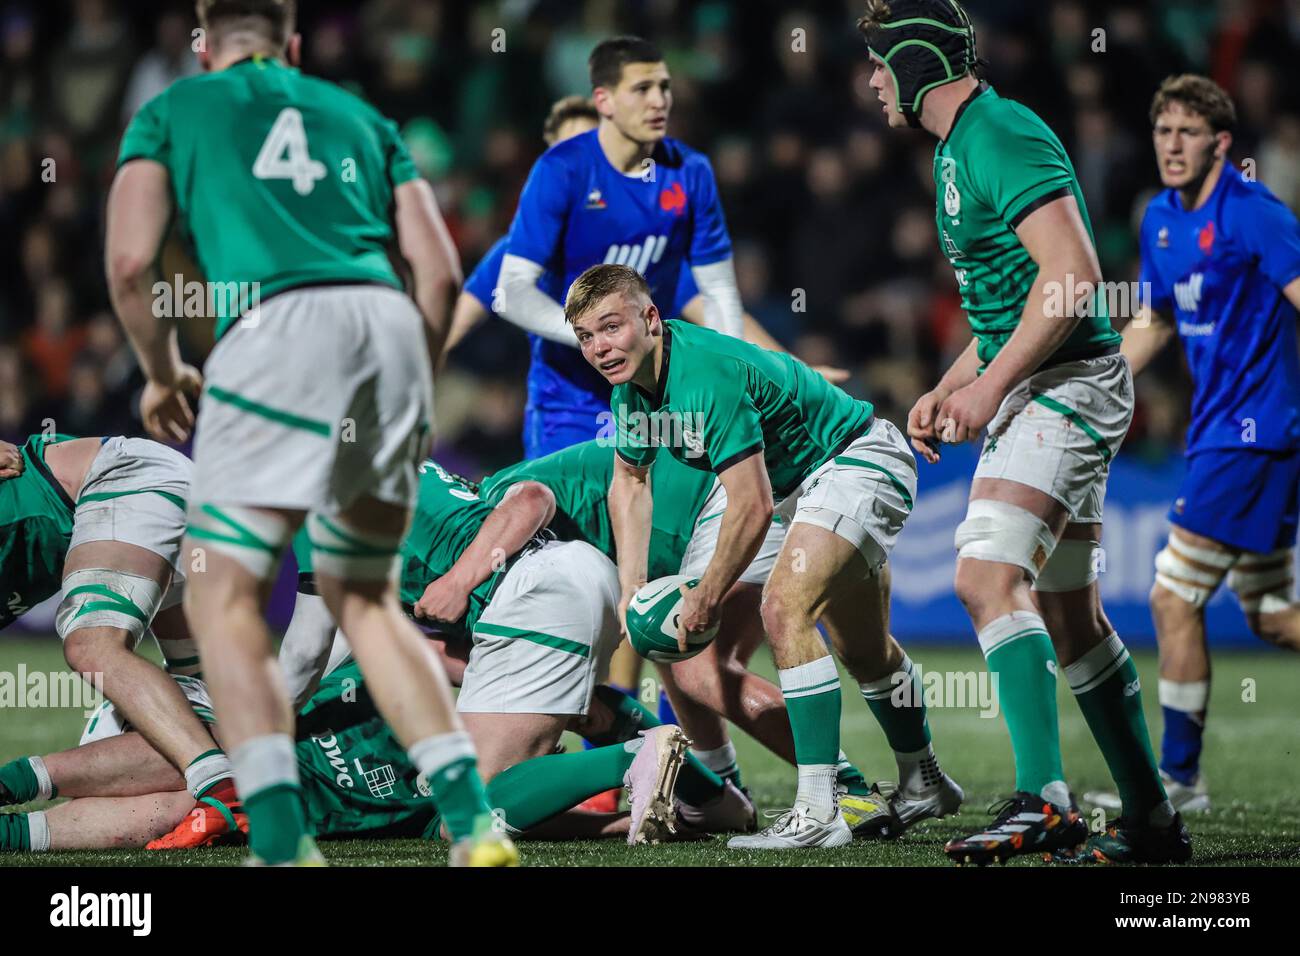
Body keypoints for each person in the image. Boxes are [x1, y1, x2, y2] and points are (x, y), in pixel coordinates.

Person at [105, 0, 510, 866]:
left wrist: (161, 369)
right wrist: (412, 377)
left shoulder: (175, 107)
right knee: (363, 598)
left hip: (275, 327)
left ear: (206, 46)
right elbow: (437, 271)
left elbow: (131, 261)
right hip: (387, 324)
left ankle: (282, 842)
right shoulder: (358, 114)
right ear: (291, 45)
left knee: (224, 596)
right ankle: (474, 822)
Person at [861, 0, 1187, 864]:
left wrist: (991, 390)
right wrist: (952, 383)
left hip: (1067, 385)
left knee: (981, 576)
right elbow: (1012, 300)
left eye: (879, 64)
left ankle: (1045, 802)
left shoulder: (999, 133)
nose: (870, 81)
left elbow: (1075, 276)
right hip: (1048, 381)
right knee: (1068, 616)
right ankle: (1153, 823)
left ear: (916, 64)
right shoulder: (958, 149)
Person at [566, 263, 962, 851]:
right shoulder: (632, 391)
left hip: (854, 460)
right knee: (860, 651)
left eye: (610, 327)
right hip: (795, 490)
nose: (599, 348)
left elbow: (749, 506)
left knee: (784, 609)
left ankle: (820, 807)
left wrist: (703, 594)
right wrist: (632, 586)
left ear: (650, 318)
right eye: (585, 337)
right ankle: (924, 780)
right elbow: (630, 479)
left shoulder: (703, 374)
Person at [1096, 75, 1300, 814]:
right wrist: (1107, 380)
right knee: (1273, 615)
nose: (1171, 146)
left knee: (1171, 595)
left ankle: (1177, 781)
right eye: (1162, 132)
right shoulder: (1157, 219)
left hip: (1257, 433)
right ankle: (1179, 780)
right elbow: (1152, 319)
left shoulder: (1255, 215)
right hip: (1217, 429)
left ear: (1221, 145)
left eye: (1187, 133)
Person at [0, 657, 691, 856]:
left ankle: (12, 818)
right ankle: (12, 803)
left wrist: (611, 810)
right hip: (274, 775)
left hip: (283, 794)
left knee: (212, 775)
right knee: (215, 766)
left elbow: (507, 815)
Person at [0, 434, 236, 836]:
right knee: (205, 705)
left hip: (123, 479)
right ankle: (255, 777)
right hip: (144, 491)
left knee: (92, 646)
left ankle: (224, 788)